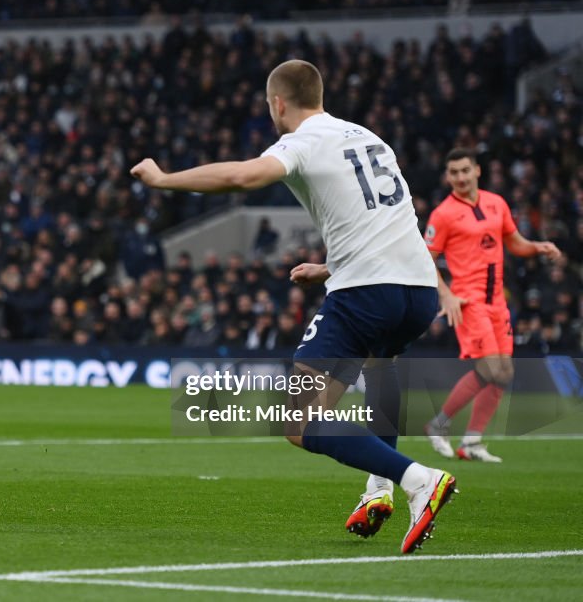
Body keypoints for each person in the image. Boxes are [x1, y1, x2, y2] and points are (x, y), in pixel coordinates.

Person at [131, 60, 455, 554]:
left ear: (278, 104)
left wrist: (162, 178)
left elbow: (242, 177)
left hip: (366, 293)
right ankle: (378, 489)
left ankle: (416, 479)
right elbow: (391, 219)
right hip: (417, 291)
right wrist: (329, 268)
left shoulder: (303, 141)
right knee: (381, 366)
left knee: (297, 417)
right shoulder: (371, 139)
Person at [423, 148, 560, 462]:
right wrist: (445, 293)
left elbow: (514, 242)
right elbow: (425, 259)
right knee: (490, 368)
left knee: (504, 373)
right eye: (453, 172)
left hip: (498, 300)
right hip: (468, 300)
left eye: (464, 171)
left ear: (477, 171)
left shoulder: (496, 203)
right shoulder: (443, 214)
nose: (459, 177)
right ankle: (438, 424)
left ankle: (471, 442)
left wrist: (538, 247)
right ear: (448, 177)